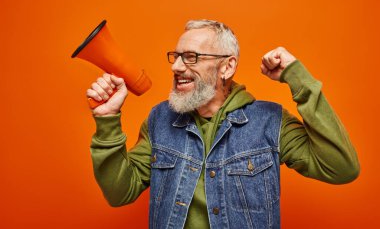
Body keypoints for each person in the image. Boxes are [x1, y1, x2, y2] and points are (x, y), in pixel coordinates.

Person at [87, 19, 360, 229]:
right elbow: (119, 193)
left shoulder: (270, 121)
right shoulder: (160, 118)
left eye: (191, 57)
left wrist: (297, 78)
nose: (177, 67)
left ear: (227, 68)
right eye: (176, 56)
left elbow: (341, 168)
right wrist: (107, 120)